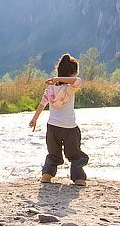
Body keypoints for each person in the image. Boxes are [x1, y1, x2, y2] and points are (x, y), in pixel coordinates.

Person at [29, 54, 89, 186]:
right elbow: (78, 81)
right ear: (72, 73)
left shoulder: (50, 89)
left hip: (52, 127)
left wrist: (34, 119)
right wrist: (58, 78)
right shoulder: (69, 88)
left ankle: (46, 176)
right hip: (69, 128)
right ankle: (78, 178)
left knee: (53, 155)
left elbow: (42, 104)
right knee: (75, 155)